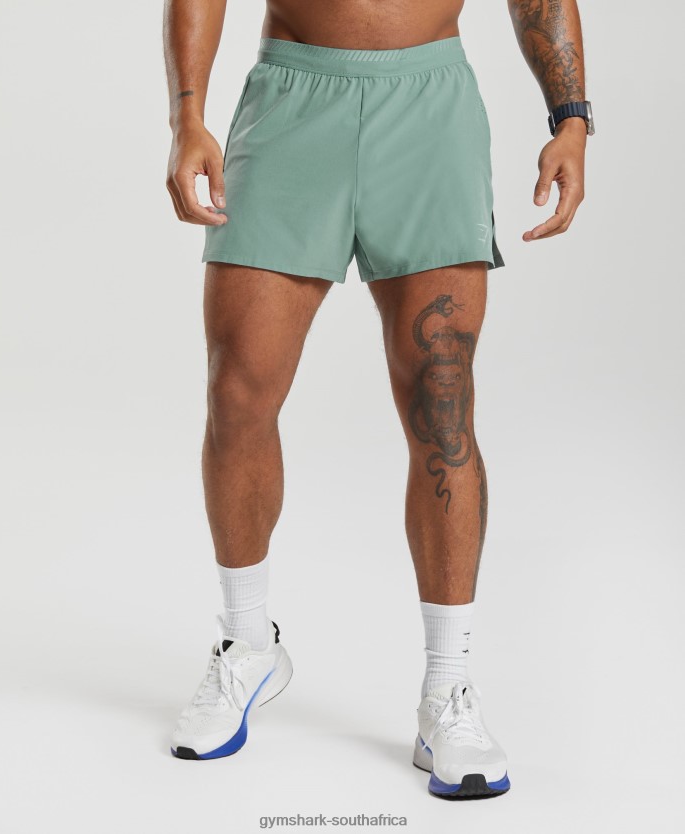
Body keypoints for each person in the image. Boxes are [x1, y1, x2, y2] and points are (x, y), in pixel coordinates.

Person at [162, 0, 591, 799]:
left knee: (442, 405)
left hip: (429, 110)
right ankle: (248, 643)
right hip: (291, 102)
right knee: (238, 390)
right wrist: (187, 115)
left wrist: (570, 117)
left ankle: (447, 687)